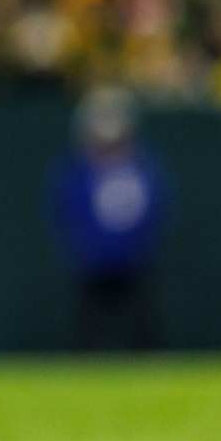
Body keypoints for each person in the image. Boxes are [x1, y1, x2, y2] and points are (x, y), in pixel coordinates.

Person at [52, 87, 166, 350]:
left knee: (142, 325)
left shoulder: (141, 168)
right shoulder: (80, 172)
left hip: (133, 262)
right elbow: (68, 209)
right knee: (89, 327)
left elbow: (153, 207)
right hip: (93, 263)